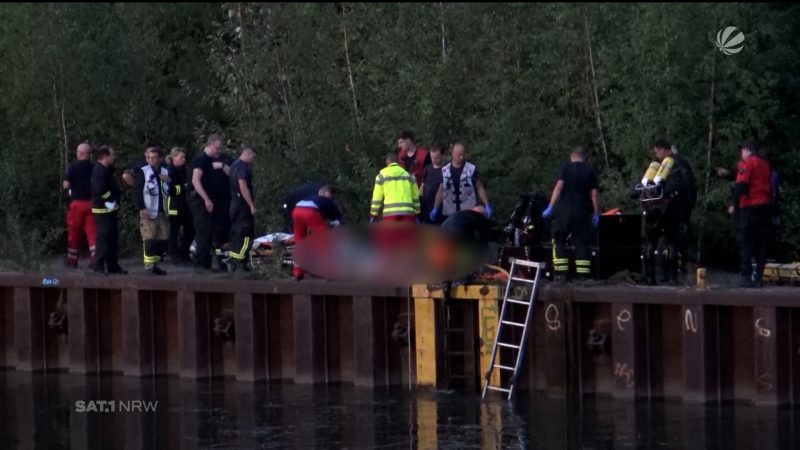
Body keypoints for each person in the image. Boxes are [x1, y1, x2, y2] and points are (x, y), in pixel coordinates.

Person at [636, 138, 693, 285]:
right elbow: (688, 188)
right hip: (671, 209)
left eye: (657, 151)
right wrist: (687, 210)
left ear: (663, 149)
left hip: (652, 210)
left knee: (651, 244)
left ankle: (650, 278)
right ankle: (673, 277)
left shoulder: (655, 167)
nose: (656, 154)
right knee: (672, 243)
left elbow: (640, 187)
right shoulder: (679, 164)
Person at [541, 145, 600, 281]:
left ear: (572, 156)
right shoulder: (590, 170)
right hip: (582, 211)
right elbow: (594, 194)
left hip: (564, 211)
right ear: (583, 157)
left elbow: (559, 187)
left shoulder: (566, 167)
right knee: (582, 242)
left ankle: (561, 275)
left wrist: (550, 206)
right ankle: (583, 276)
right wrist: (596, 213)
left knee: (560, 239)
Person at [729, 139, 772, 288]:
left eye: (742, 151)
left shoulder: (747, 163)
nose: (741, 154)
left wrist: (734, 205)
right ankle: (759, 277)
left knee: (746, 241)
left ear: (746, 150)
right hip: (765, 206)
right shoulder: (765, 164)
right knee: (761, 243)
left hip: (750, 206)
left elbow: (742, 184)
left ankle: (745, 276)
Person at [188, 134, 232, 270]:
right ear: (209, 145)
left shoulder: (214, 160)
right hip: (200, 201)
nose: (219, 151)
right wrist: (206, 199)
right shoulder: (201, 160)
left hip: (213, 200)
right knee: (204, 231)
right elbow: (196, 180)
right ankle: (199, 263)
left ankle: (206, 263)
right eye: (217, 148)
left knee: (211, 231)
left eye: (220, 149)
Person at [133, 144, 172, 275]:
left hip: (163, 210)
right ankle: (149, 267)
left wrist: (169, 181)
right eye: (149, 157)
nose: (150, 160)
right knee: (149, 238)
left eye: (154, 157)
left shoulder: (166, 171)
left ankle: (156, 264)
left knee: (163, 238)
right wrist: (142, 208)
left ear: (160, 158)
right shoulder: (143, 171)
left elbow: (172, 190)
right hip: (148, 210)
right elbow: (138, 191)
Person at [431, 142, 492, 222]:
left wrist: (486, 204)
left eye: (463, 155)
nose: (462, 157)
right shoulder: (444, 170)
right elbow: (441, 190)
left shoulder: (471, 169)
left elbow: (479, 187)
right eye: (459, 155)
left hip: (468, 211)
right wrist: (435, 208)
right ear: (453, 154)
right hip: (449, 213)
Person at [292, 185, 343, 280]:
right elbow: (339, 221)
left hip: (296, 210)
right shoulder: (329, 201)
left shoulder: (312, 197)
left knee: (299, 241)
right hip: (310, 212)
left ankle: (298, 271)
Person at [91, 146, 126, 275]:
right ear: (105, 156)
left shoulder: (107, 170)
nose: (114, 157)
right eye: (112, 155)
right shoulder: (99, 171)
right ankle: (98, 267)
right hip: (102, 211)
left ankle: (113, 266)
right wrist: (109, 199)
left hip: (110, 210)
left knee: (112, 239)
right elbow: (100, 190)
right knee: (103, 240)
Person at [223, 146, 257, 273]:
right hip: (243, 206)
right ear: (247, 154)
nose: (253, 161)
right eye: (252, 157)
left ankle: (234, 260)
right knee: (246, 234)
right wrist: (251, 205)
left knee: (237, 234)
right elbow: (243, 186)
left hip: (235, 205)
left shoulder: (233, 166)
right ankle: (238, 262)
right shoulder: (242, 167)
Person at [63, 142, 96, 268]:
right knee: (92, 232)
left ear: (80, 153)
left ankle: (72, 260)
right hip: (92, 203)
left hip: (77, 204)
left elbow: (66, 185)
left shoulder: (73, 167)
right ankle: (95, 258)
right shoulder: (95, 167)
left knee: (74, 232)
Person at [370, 152, 420, 223]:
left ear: (387, 162)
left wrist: (373, 215)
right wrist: (417, 212)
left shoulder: (381, 176)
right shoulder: (408, 176)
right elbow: (415, 196)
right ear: (398, 162)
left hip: (389, 214)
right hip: (407, 212)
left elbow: (377, 198)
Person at [166, 147, 194, 263]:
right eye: (181, 157)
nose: (184, 159)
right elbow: (170, 189)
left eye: (184, 157)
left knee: (190, 229)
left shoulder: (184, 170)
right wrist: (185, 188)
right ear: (174, 157)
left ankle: (184, 253)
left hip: (185, 205)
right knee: (174, 231)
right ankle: (174, 255)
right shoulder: (169, 171)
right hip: (174, 205)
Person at [420, 144, 445, 224]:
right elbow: (422, 186)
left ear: (442, 156)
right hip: (426, 206)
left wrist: (436, 208)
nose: (433, 159)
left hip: (440, 208)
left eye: (436, 157)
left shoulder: (446, 169)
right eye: (432, 157)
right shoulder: (427, 168)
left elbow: (442, 189)